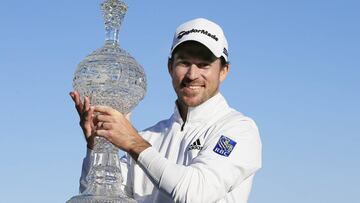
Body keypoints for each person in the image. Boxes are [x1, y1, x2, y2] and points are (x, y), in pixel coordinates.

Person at [70, 18, 262, 203]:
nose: (192, 75)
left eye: (204, 65)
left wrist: (133, 143)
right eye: (184, 63)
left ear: (223, 71)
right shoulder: (149, 137)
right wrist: (98, 146)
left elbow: (196, 193)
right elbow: (98, 196)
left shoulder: (239, 130)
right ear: (170, 67)